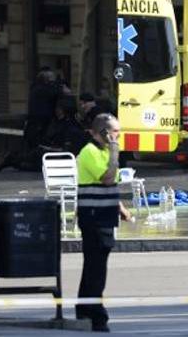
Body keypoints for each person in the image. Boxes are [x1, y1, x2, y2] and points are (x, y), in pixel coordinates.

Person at [76, 113, 131, 332]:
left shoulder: (104, 151)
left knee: (94, 266)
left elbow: (109, 186)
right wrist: (115, 149)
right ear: (104, 133)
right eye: (116, 131)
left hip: (105, 215)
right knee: (96, 268)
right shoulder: (90, 151)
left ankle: (85, 310)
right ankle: (97, 315)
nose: (119, 135)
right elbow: (107, 178)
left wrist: (121, 208)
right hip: (93, 217)